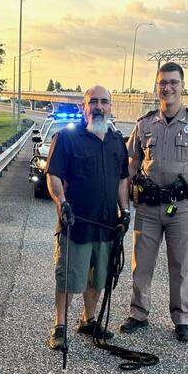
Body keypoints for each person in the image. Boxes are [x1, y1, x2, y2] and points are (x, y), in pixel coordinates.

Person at [122, 61, 188, 342]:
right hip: (148, 206)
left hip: (183, 208)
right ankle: (138, 313)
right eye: (163, 83)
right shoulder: (144, 124)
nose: (168, 88)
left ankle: (182, 319)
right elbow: (132, 165)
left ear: (182, 86)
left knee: (181, 265)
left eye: (173, 82)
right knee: (142, 264)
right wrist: (122, 201)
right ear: (157, 87)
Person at [44, 85, 131, 350]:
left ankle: (88, 320)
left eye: (104, 102)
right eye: (93, 101)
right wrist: (62, 203)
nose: (99, 107)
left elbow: (122, 180)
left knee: (98, 277)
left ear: (111, 107)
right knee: (69, 279)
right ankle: (60, 326)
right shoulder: (66, 138)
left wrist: (125, 211)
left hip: (106, 226)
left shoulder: (117, 142)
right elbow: (53, 175)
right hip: (76, 225)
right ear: (84, 106)